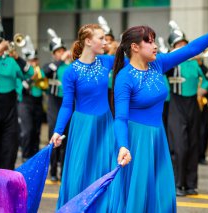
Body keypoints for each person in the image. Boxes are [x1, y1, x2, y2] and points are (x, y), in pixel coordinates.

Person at [111, 21, 208, 212]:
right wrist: (123, 145)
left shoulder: (158, 64)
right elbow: (120, 118)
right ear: (135, 47)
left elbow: (192, 48)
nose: (155, 46)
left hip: (158, 137)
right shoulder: (124, 77)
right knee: (138, 195)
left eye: (154, 41)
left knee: (163, 193)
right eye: (149, 42)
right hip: (136, 141)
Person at [50, 24, 131, 211]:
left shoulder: (105, 61)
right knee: (79, 172)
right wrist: (57, 131)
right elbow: (67, 105)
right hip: (83, 127)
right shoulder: (71, 72)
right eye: (101, 38)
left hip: (105, 125)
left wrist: (131, 48)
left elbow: (133, 63)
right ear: (88, 41)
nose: (105, 42)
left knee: (104, 169)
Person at [165, 20, 208, 196]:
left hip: (193, 103)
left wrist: (205, 87)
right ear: (173, 47)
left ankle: (191, 184)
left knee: (193, 145)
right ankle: (178, 183)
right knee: (180, 146)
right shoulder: (171, 62)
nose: (183, 46)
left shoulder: (194, 63)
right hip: (177, 104)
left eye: (184, 43)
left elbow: (207, 77)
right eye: (179, 44)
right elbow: (164, 71)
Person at [0, 8, 34, 174]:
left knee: (8, 156)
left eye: (0, 42)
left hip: (9, 117)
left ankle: (4, 196)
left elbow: (30, 73)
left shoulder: (11, 61)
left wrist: (16, 56)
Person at [43, 28, 71, 181]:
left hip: (67, 102)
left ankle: (64, 171)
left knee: (67, 138)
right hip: (54, 103)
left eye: (62, 50)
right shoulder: (52, 66)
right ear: (53, 54)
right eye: (57, 52)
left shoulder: (70, 66)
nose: (61, 53)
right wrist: (59, 61)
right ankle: (53, 171)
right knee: (54, 135)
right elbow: (44, 72)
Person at [18, 35, 47, 161]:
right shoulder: (21, 72)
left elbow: (45, 87)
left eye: (35, 60)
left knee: (36, 131)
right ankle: (25, 155)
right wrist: (31, 78)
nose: (34, 63)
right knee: (28, 130)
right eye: (31, 61)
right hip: (25, 102)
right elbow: (21, 88)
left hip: (38, 102)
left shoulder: (39, 71)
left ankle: (34, 156)